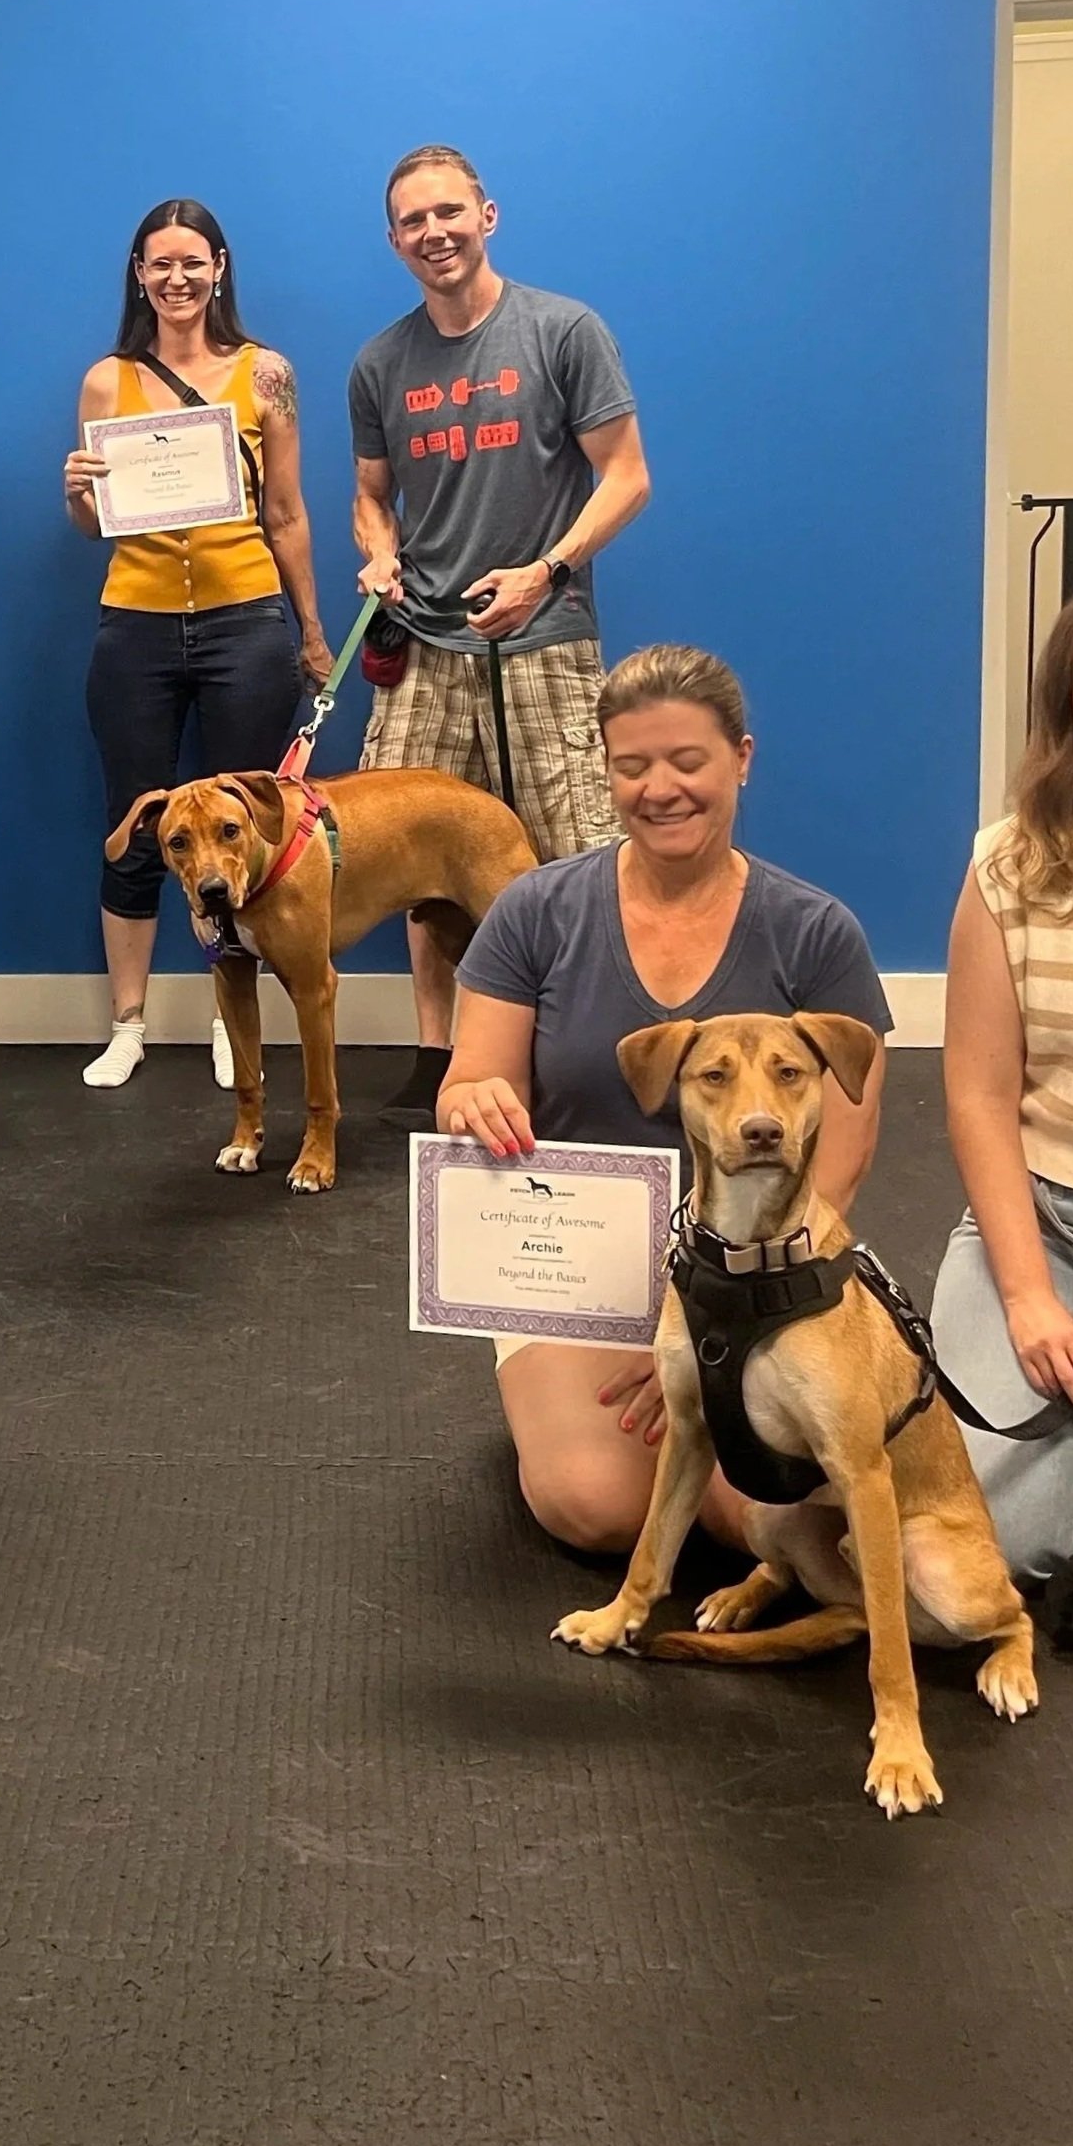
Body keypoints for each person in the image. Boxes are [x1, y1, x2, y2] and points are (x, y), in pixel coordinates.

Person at [437, 644, 891, 1554]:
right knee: (595, 1505)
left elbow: (841, 1153)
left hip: (757, 1263)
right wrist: (474, 1100)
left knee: (769, 1513)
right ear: (605, 770)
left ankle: (724, 1480)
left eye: (688, 762)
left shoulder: (815, 931)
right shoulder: (535, 911)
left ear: (742, 760)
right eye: (632, 766)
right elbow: (467, 1082)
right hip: (577, 1266)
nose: (661, 788)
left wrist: (726, 1314)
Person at [349, 144, 653, 1128]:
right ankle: (438, 1054)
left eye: (448, 212)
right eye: (411, 221)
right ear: (393, 239)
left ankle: (579, 1050)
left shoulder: (562, 330)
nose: (432, 232)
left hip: (545, 636)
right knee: (415, 863)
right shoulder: (378, 363)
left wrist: (545, 570)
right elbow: (367, 496)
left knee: (576, 855)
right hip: (421, 645)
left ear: (487, 215)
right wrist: (379, 554)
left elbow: (626, 476)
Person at [62, 197, 334, 1090]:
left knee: (243, 833)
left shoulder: (269, 375)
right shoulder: (109, 379)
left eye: (192, 262)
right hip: (134, 622)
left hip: (246, 619)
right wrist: (77, 494)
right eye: (157, 264)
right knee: (135, 823)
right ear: (137, 275)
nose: (175, 279)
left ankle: (234, 1019)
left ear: (220, 267)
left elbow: (287, 512)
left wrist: (313, 630)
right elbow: (93, 520)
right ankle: (128, 1023)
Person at [933, 576, 1073, 1614]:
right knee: (979, 1550)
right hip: (1049, 1233)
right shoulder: (1008, 861)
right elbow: (978, 1097)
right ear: (1062, 705)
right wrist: (1024, 1297)